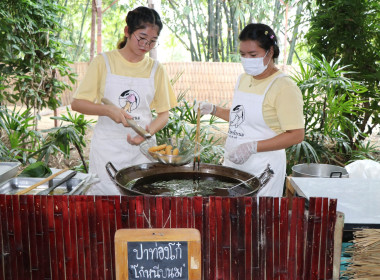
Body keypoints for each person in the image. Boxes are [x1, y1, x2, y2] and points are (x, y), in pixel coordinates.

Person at [71, 6, 177, 195]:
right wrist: (108, 111)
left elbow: (164, 114)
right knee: (106, 204)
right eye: (142, 38)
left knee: (140, 202)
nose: (146, 45)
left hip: (143, 150)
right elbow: (77, 103)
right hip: (108, 150)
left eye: (152, 41)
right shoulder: (103, 62)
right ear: (127, 31)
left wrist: (146, 132)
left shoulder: (156, 69)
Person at [196, 23, 304, 197]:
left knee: (257, 218)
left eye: (253, 54)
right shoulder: (243, 79)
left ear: (270, 52)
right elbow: (242, 118)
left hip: (263, 168)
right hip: (234, 165)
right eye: (243, 54)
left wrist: (252, 147)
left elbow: (296, 134)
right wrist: (214, 109)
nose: (247, 59)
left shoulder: (284, 87)